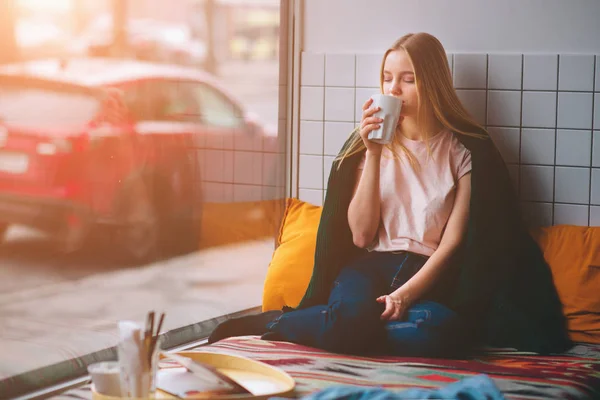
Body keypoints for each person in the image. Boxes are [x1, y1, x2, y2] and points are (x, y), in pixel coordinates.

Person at [209, 33, 570, 357]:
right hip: (369, 267)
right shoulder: (365, 148)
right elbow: (361, 236)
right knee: (352, 319)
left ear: (433, 83)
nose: (393, 89)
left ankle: (339, 329)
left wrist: (406, 295)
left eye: (408, 79)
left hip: (424, 270)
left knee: (444, 331)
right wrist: (375, 151)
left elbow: (452, 244)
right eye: (387, 78)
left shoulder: (465, 151)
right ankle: (285, 326)